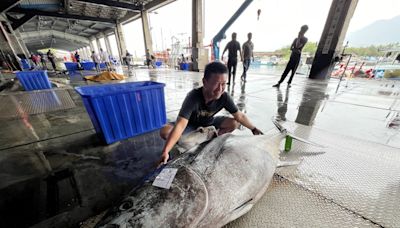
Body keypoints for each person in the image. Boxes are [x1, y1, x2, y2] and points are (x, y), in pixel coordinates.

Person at [158, 61, 263, 165]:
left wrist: (253, 129)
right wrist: (165, 151)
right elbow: (181, 125)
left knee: (235, 122)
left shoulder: (224, 97)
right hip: (190, 126)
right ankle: (194, 140)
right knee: (165, 131)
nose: (220, 89)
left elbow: (240, 115)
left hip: (209, 123)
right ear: (205, 82)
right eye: (216, 84)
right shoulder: (193, 97)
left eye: (223, 84)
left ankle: (212, 142)